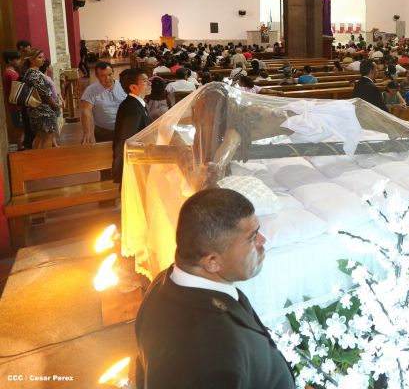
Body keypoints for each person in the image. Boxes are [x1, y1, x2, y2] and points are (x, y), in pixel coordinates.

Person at [135, 188, 295, 389]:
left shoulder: (164, 282)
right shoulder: (208, 357)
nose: (263, 241)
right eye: (251, 237)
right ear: (212, 262)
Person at [112, 68, 151, 184]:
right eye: (145, 81)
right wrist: (121, 171)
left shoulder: (135, 104)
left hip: (139, 161)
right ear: (133, 87)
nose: (149, 83)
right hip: (134, 166)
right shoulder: (132, 109)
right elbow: (125, 140)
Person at [21, 50, 59, 149]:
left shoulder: (32, 72)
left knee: (40, 137)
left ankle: (38, 159)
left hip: (37, 109)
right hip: (42, 109)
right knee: (47, 136)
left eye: (43, 57)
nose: (43, 59)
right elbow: (44, 92)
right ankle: (45, 160)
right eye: (40, 57)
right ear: (31, 59)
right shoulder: (34, 74)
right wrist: (54, 104)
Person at [81, 61, 127, 143]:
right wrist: (87, 131)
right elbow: (86, 111)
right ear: (97, 76)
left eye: (110, 74)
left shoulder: (124, 85)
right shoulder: (91, 90)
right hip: (104, 132)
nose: (107, 78)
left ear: (113, 72)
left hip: (125, 129)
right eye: (103, 76)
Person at [3, 50, 24, 148]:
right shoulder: (9, 73)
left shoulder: (13, 72)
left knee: (20, 126)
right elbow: (15, 88)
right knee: (19, 127)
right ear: (9, 60)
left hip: (17, 104)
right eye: (17, 59)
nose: (19, 61)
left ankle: (21, 145)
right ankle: (20, 146)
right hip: (15, 104)